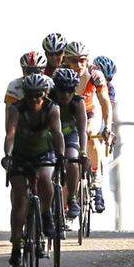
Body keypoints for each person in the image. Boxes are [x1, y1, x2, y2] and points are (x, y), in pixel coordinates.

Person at [2, 73, 66, 267]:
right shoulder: (16, 109)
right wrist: (8, 155)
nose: (34, 100)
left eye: (38, 95)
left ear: (45, 94)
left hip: (43, 153)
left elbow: (57, 134)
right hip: (20, 154)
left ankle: (45, 214)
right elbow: (10, 135)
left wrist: (61, 156)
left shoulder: (52, 108)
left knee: (47, 181)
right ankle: (16, 243)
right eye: (30, 95)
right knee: (20, 198)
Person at [63, 40, 113, 213]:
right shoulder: (59, 73)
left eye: (82, 60)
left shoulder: (94, 74)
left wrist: (107, 126)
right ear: (65, 61)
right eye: (73, 61)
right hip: (67, 115)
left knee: (90, 135)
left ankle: (97, 184)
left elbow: (105, 101)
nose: (78, 65)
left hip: (89, 112)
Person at [50, 68, 87, 220]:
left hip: (69, 135)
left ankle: (72, 198)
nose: (65, 95)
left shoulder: (78, 102)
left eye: (70, 90)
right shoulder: (48, 100)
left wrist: (83, 152)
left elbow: (82, 130)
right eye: (61, 90)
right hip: (50, 136)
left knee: (73, 160)